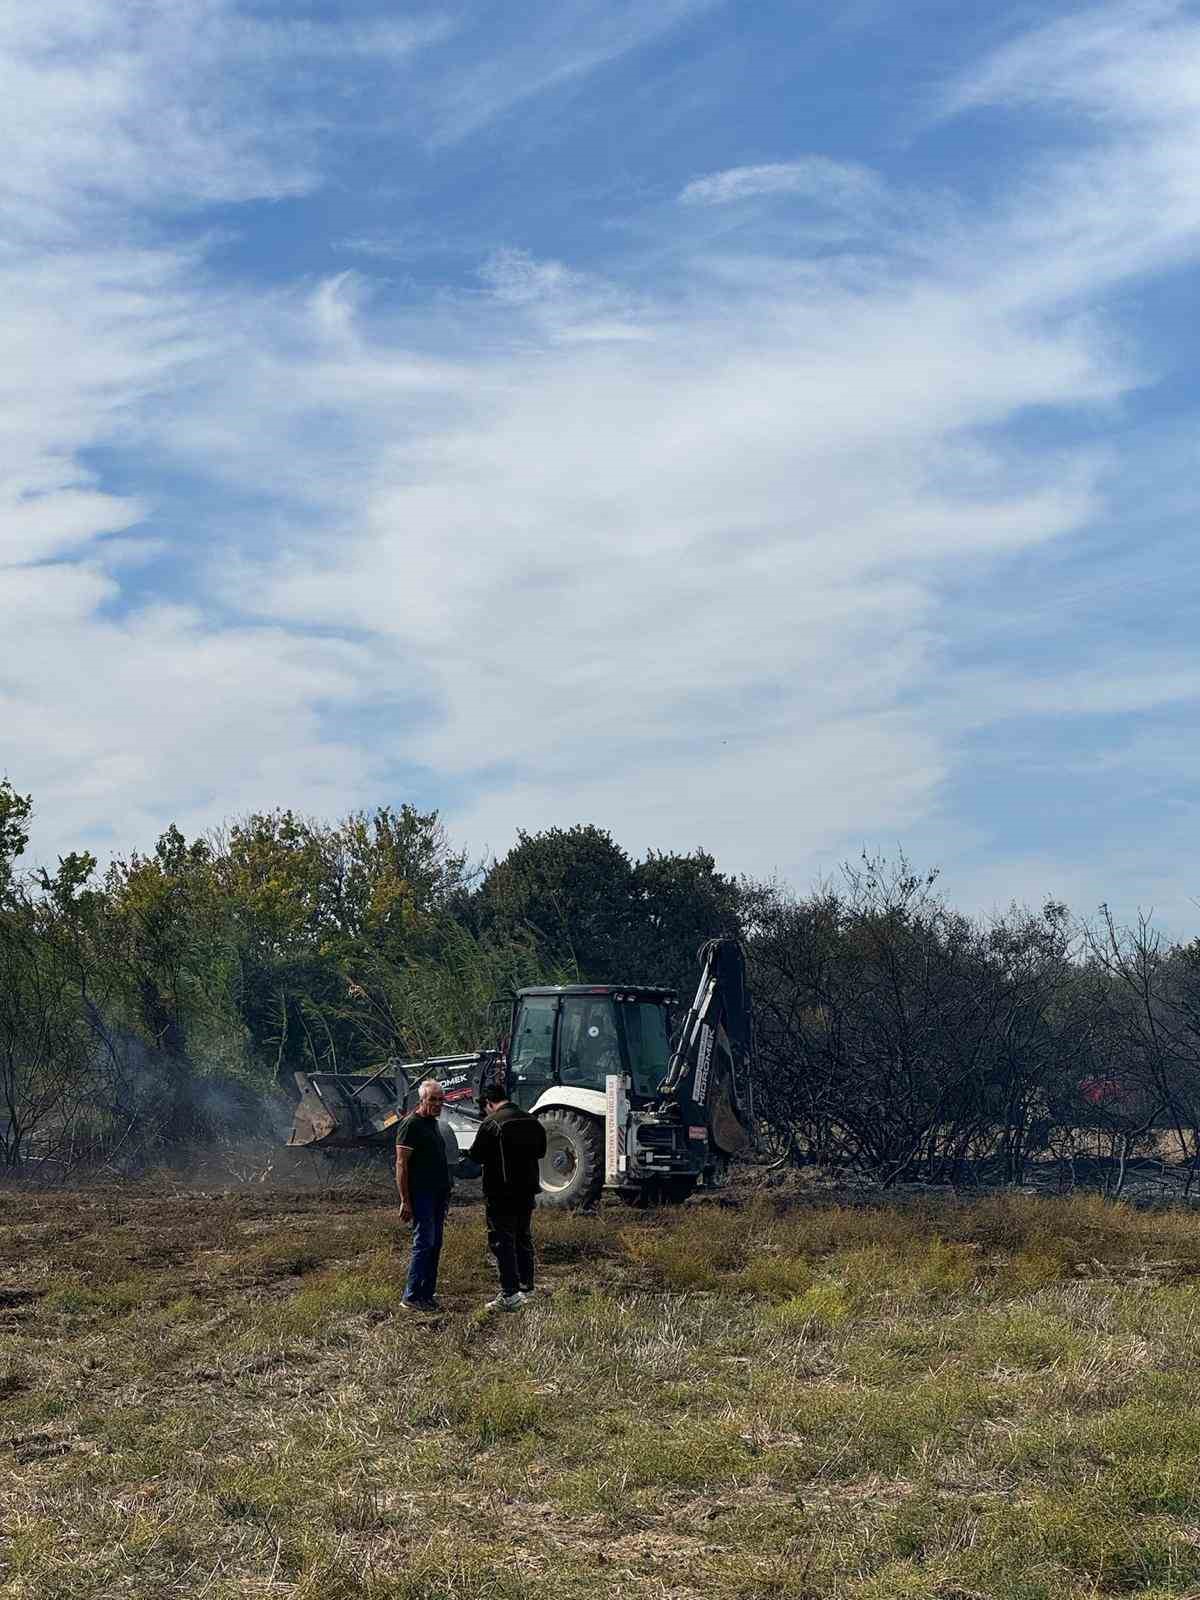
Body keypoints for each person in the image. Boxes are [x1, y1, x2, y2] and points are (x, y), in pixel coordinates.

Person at [467, 1081, 547, 1311]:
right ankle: (527, 1288)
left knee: (503, 1242)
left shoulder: (491, 1123)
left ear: (488, 1103)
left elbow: (475, 1157)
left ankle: (509, 1295)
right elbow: (540, 1151)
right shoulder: (531, 1120)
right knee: (523, 1238)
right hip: (527, 1190)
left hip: (500, 1192)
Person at [395, 1078, 451, 1311]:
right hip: (422, 1195)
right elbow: (401, 1164)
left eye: (441, 1100)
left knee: (435, 1244)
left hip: (439, 1195)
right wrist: (405, 1200)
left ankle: (427, 1294)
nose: (437, 1104)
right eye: (433, 1100)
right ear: (422, 1100)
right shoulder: (411, 1125)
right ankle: (411, 1295)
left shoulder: (433, 1124)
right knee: (424, 1243)